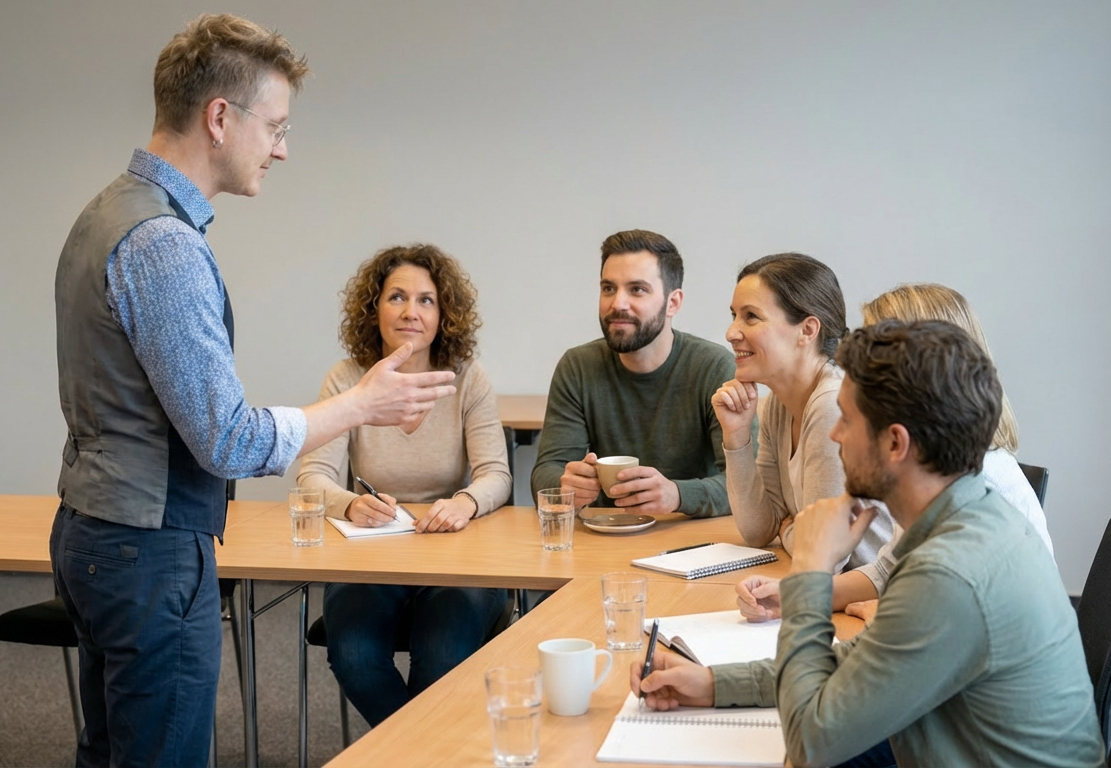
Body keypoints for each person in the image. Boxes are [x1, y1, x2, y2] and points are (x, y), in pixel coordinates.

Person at [50, 16, 455, 766]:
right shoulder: (163, 243)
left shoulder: (106, 212)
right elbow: (227, 440)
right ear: (218, 118)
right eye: (273, 125)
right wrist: (359, 405)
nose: (282, 147)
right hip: (149, 547)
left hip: (93, 529)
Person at [632, 320, 1105, 767]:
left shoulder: (949, 573)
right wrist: (714, 683)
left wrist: (813, 572)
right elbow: (861, 663)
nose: (835, 434)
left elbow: (812, 744)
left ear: (896, 444)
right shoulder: (968, 514)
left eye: (848, 419)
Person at [736, 283, 1053, 624]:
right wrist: (798, 596)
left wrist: (812, 572)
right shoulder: (935, 472)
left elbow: (817, 675)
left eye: (880, 345)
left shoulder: (972, 494)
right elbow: (887, 568)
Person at [298, 244, 512, 726]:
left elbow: (496, 474)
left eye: (426, 300)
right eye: (396, 297)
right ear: (374, 308)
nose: (410, 312)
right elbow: (312, 478)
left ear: (444, 314)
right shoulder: (348, 378)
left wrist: (465, 502)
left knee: (440, 658)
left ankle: (407, 752)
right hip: (374, 556)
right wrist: (351, 504)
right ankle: (423, 751)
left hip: (456, 556)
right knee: (352, 653)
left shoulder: (468, 379)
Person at [530, 229, 737, 518]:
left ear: (673, 303)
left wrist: (677, 495)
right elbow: (545, 473)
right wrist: (567, 484)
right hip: (604, 536)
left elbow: (746, 487)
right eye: (608, 288)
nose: (618, 304)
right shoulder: (577, 366)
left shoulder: (715, 367)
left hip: (690, 537)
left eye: (637, 289)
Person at [711, 253, 895, 565]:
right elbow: (758, 530)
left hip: (868, 599)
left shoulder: (833, 406)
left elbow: (824, 555)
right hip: (834, 593)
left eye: (751, 316)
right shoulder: (778, 406)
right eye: (734, 316)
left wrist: (789, 533)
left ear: (807, 330)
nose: (732, 333)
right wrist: (737, 435)